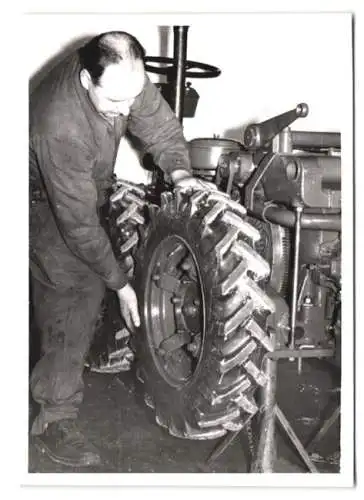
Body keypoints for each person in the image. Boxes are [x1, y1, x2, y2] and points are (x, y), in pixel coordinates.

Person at [29, 30, 211, 468]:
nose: (126, 110)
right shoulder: (58, 123)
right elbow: (78, 226)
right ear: (86, 80)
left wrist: (181, 173)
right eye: (114, 102)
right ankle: (53, 420)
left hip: (89, 185)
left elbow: (159, 125)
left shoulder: (123, 76)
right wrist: (122, 285)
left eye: (132, 95)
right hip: (41, 196)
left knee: (94, 277)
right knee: (76, 287)